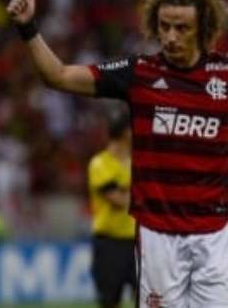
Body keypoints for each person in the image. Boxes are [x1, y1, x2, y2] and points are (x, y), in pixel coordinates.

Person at [7, 0, 228, 307]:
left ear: (203, 29)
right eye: (165, 27)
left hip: (213, 234)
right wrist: (29, 28)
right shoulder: (139, 74)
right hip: (158, 236)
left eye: (182, 28)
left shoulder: (227, 74)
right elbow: (60, 76)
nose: (170, 36)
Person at [88, 107, 136, 308]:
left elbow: (125, 196)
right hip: (110, 244)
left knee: (149, 299)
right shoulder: (100, 163)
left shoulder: (137, 162)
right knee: (109, 301)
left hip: (138, 243)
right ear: (126, 131)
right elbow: (117, 199)